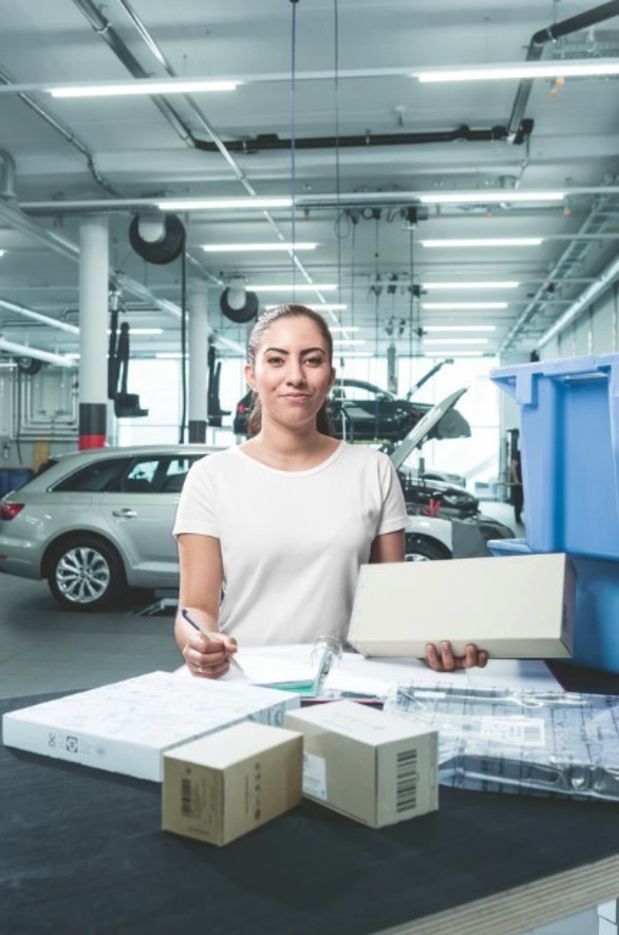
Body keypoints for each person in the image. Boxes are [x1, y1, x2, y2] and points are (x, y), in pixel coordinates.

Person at [173, 303, 488, 678]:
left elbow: (394, 603)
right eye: (276, 360)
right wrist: (199, 640)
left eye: (312, 360)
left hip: (351, 682)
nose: (295, 376)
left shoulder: (373, 470)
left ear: (330, 375)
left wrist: (431, 645)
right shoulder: (211, 476)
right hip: (245, 678)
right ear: (251, 375)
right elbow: (194, 607)